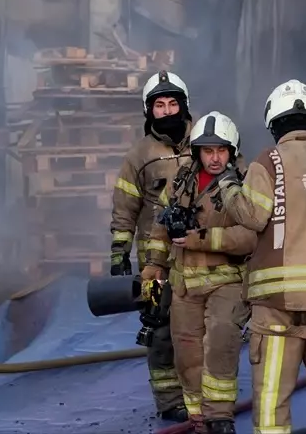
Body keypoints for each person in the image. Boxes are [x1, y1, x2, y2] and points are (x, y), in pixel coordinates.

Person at [214, 79, 306, 434]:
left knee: (273, 402)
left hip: (279, 303)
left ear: (273, 123)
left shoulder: (270, 160)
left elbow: (253, 216)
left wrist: (229, 185)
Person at [144, 111, 254, 434]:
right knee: (186, 350)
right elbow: (160, 227)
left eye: (221, 150)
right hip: (184, 285)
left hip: (226, 282)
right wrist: (154, 265)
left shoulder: (243, 185)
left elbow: (250, 235)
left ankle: (220, 415)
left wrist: (201, 239)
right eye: (208, 151)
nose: (215, 158)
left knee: (221, 340)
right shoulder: (180, 183)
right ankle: (197, 414)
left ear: (231, 152)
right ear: (197, 152)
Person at [109, 71, 191, 422]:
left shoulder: (209, 143)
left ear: (184, 105)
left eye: (173, 103)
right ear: (149, 111)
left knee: (199, 327)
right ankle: (170, 401)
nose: (168, 110)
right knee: (159, 330)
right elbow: (125, 208)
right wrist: (118, 253)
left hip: (201, 256)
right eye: (160, 105)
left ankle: (203, 398)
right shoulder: (139, 155)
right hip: (153, 264)